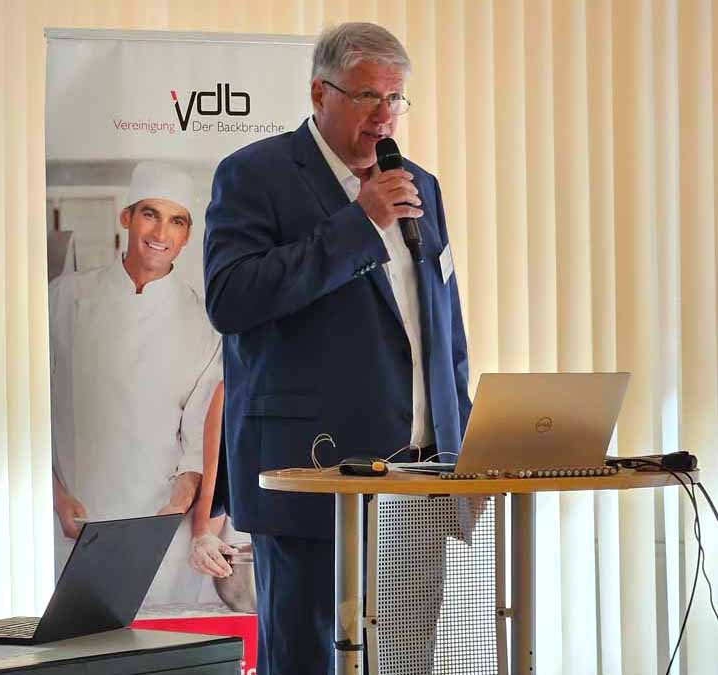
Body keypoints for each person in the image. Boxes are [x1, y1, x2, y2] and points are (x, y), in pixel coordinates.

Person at [203, 22, 471, 673]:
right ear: (320, 93)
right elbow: (230, 298)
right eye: (368, 96)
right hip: (311, 475)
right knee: (309, 661)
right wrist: (359, 224)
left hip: (419, 479)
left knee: (406, 661)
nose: (385, 116)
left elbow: (444, 330)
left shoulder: (419, 184)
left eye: (396, 98)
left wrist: (464, 450)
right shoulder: (255, 175)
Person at [49, 160, 234, 606]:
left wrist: (176, 509)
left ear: (187, 236)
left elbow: (201, 437)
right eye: (150, 214)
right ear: (126, 217)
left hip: (160, 526)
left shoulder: (204, 322)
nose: (160, 232)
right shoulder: (65, 297)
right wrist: (56, 497)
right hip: (76, 519)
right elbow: (33, 411)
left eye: (177, 221)